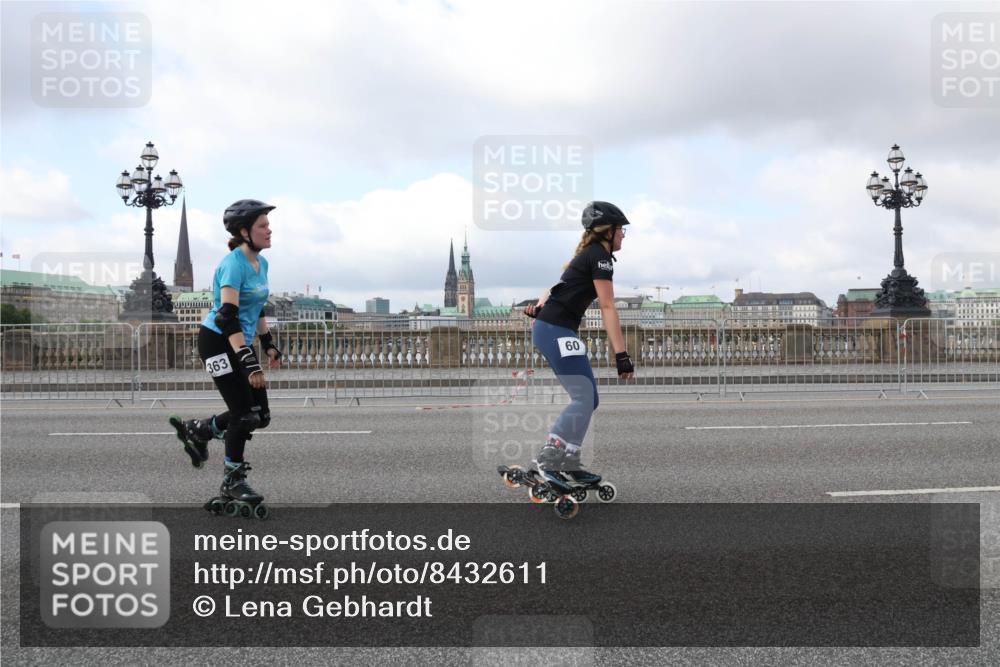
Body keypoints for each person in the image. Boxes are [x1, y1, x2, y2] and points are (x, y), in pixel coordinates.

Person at [169, 199, 281, 517]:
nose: (269, 230)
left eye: (268, 225)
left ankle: (202, 430)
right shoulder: (233, 264)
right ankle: (232, 481)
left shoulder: (262, 264)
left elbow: (257, 307)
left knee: (260, 416)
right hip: (217, 342)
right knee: (243, 414)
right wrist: (248, 361)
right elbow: (227, 317)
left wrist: (269, 343)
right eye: (263, 225)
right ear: (244, 231)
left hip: (237, 343)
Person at [523, 201, 635, 491]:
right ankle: (550, 456)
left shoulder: (589, 254)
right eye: (621, 230)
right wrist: (621, 354)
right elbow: (608, 306)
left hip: (554, 328)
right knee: (583, 396)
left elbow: (557, 286)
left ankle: (569, 459)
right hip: (555, 329)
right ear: (608, 231)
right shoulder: (600, 257)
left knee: (589, 399)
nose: (623, 235)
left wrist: (540, 303)